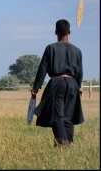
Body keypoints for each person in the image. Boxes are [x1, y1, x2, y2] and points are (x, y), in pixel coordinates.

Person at [31, 19, 84, 148]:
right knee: (68, 116)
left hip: (57, 83)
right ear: (69, 31)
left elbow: (42, 69)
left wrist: (36, 87)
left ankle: (63, 144)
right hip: (72, 84)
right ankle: (68, 144)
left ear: (56, 32)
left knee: (57, 115)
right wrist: (79, 86)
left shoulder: (51, 48)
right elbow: (80, 71)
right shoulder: (77, 50)